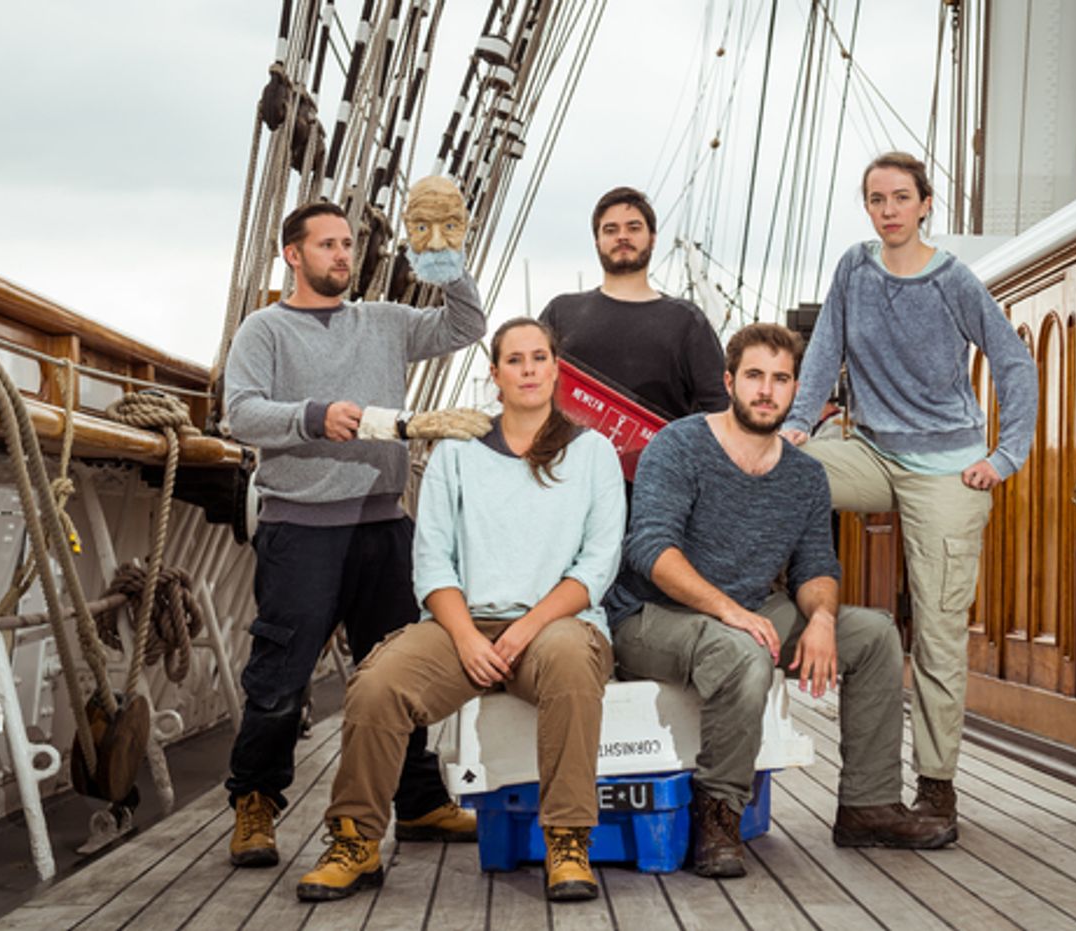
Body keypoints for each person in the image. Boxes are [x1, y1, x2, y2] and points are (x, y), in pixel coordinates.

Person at [607, 323, 954, 880]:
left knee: (873, 634)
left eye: (780, 379)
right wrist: (730, 611)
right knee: (742, 650)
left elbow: (817, 565)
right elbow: (652, 549)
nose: (766, 390)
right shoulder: (680, 444)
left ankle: (867, 805)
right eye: (754, 376)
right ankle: (718, 817)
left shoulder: (806, 476)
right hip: (653, 618)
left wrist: (820, 617)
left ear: (795, 391)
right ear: (729, 381)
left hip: (745, 610)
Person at [296, 318, 625, 903]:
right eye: (514, 360)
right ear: (494, 374)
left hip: (557, 624)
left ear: (556, 369)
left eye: (539, 358)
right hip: (461, 624)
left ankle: (568, 840)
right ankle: (356, 841)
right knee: (378, 685)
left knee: (574, 668)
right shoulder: (457, 452)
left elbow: (596, 566)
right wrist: (469, 639)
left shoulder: (593, 452)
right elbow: (433, 563)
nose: (528, 369)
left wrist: (526, 629)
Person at [780, 151, 1039, 837]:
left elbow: (1014, 361)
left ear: (925, 204)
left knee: (938, 632)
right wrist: (799, 426)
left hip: (947, 467)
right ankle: (769, 605)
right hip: (870, 449)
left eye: (901, 197)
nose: (888, 209)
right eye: (876, 198)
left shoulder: (953, 280)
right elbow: (824, 349)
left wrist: (1005, 455)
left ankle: (937, 787)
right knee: (775, 467)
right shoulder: (853, 268)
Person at [222, 199, 487, 868]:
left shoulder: (385, 322)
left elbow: (466, 322)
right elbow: (242, 413)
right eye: (327, 244)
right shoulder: (266, 330)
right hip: (301, 531)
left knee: (400, 672)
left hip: (383, 526)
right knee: (280, 677)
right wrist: (315, 416)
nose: (343, 254)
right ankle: (255, 802)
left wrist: (446, 258)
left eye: (347, 244)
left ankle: (420, 800)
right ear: (293, 255)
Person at [539, 186, 728, 420]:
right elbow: (528, 388)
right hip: (567, 454)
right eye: (610, 229)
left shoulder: (687, 321)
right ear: (597, 241)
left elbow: (720, 410)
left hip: (658, 454)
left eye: (634, 227)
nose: (622, 236)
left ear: (653, 238)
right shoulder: (561, 312)